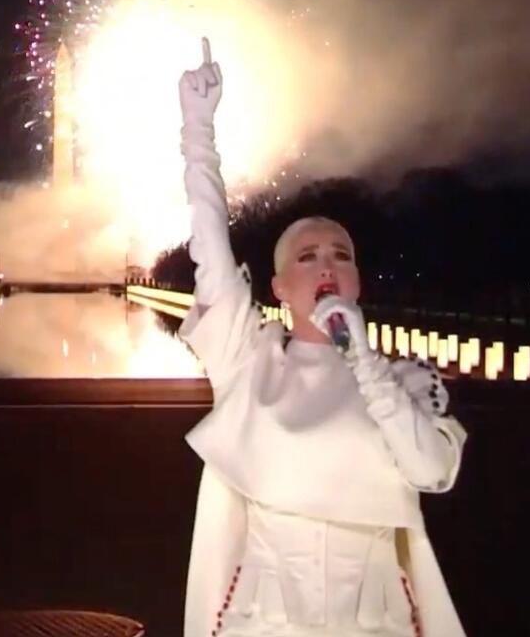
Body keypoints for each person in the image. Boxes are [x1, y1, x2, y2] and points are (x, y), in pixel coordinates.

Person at [177, 38, 469, 637]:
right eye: (307, 257)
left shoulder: (402, 381)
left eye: (341, 255)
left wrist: (363, 359)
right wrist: (197, 132)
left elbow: (432, 469)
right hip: (264, 623)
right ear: (279, 287)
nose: (327, 264)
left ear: (358, 282)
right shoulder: (250, 363)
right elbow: (209, 246)